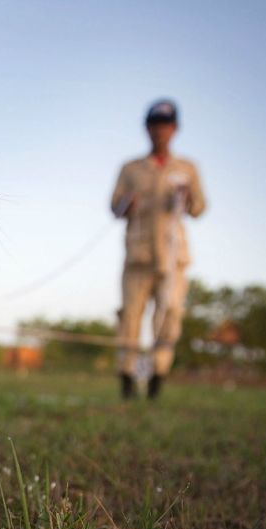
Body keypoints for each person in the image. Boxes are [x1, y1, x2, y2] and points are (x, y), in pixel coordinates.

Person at [110, 98, 207, 399]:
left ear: (174, 128)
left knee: (169, 317)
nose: (159, 131)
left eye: (165, 126)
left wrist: (188, 196)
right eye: (154, 126)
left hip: (173, 258)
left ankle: (156, 380)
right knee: (130, 319)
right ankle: (127, 381)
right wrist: (128, 204)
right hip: (138, 256)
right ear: (147, 128)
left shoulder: (187, 168)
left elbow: (199, 208)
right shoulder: (131, 168)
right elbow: (114, 207)